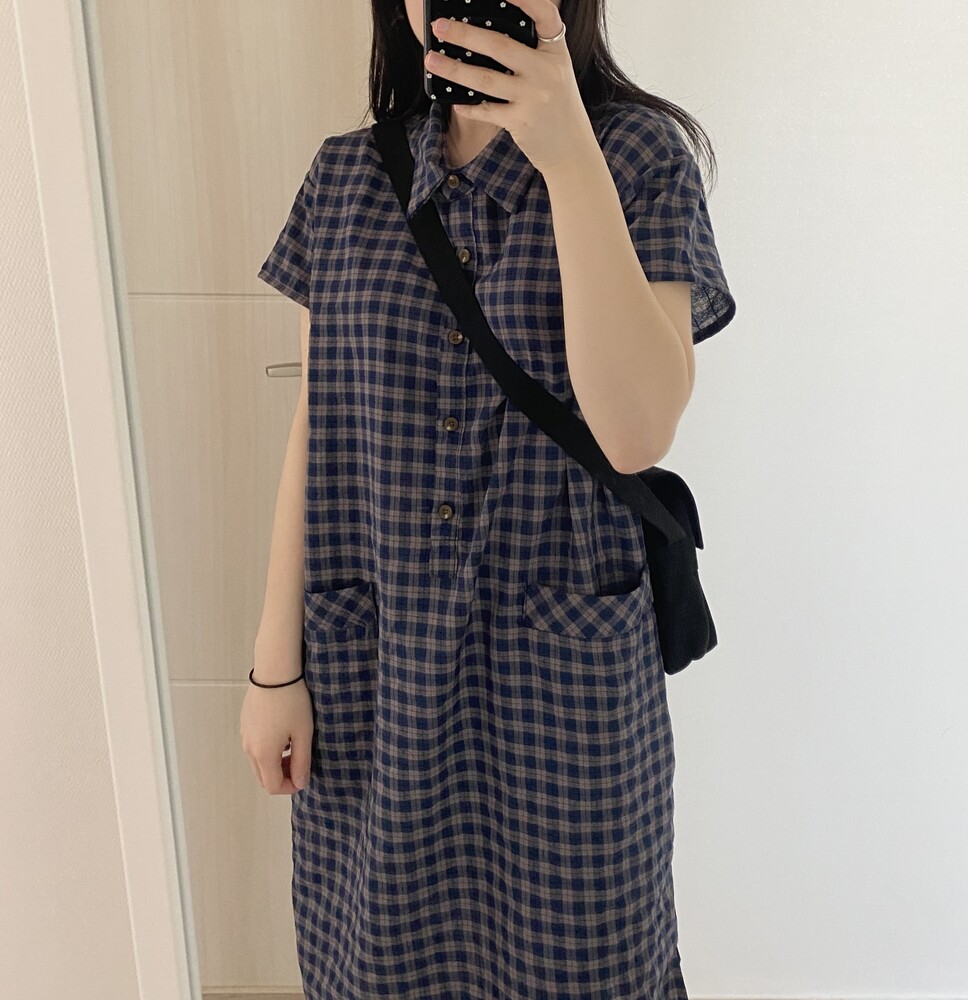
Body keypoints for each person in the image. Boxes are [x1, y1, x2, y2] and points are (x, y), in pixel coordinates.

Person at [242, 1, 736, 997]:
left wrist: (567, 156)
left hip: (569, 684)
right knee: (384, 961)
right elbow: (317, 427)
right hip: (378, 672)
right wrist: (272, 668)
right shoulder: (346, 178)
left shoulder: (640, 159)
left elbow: (637, 432)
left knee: (587, 963)